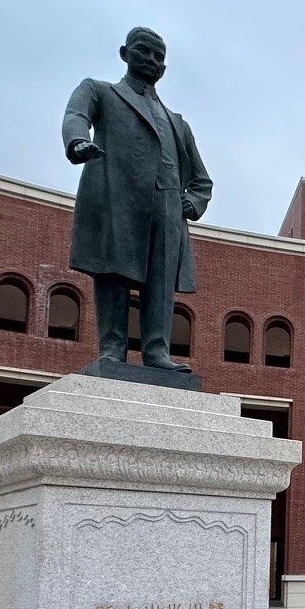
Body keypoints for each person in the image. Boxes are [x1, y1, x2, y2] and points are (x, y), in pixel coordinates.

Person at [62, 27, 214, 374]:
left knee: (161, 282)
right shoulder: (100, 91)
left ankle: (156, 351)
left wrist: (193, 202)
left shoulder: (178, 123)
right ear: (124, 52)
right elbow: (76, 116)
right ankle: (112, 349)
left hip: (166, 210)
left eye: (159, 56)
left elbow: (202, 179)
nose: (151, 60)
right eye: (143, 51)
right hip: (118, 197)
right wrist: (76, 142)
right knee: (113, 274)